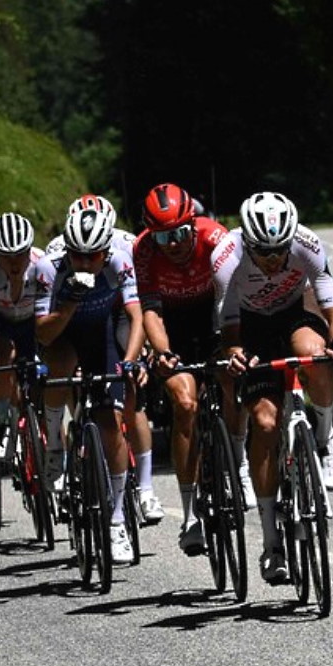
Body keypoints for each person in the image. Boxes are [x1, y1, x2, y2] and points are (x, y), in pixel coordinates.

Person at [211, 190, 333, 585]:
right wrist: (236, 354)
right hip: (249, 326)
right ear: (248, 242)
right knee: (263, 422)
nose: (274, 259)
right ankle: (272, 542)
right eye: (264, 252)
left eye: (280, 251)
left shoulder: (307, 244)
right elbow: (228, 330)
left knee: (318, 355)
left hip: (294, 314)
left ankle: (327, 442)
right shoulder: (226, 259)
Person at [36, 197, 147, 564]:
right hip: (63, 334)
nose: (85, 264)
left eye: (92, 257)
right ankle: (54, 444)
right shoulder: (50, 268)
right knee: (59, 369)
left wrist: (130, 361)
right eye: (78, 257)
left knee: (111, 423)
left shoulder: (118, 258)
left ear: (104, 251)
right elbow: (44, 335)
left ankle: (116, 520)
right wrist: (68, 304)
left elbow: (136, 314)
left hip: (102, 332)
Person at [129, 183, 234, 556]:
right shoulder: (142, 250)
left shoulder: (214, 236)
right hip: (172, 325)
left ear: (194, 223)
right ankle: (190, 515)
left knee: (232, 377)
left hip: (214, 315)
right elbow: (151, 311)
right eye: (162, 237)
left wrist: (228, 343)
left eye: (178, 233)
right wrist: (163, 352)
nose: (172, 244)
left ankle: (238, 465)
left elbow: (231, 296)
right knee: (185, 404)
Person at [0, 212, 56, 478]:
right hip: (0, 323)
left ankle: (51, 445)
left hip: (34, 321)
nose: (15, 262)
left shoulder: (43, 265)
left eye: (21, 254)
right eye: (6, 256)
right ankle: (2, 419)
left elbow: (53, 319)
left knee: (44, 378)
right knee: (2, 355)